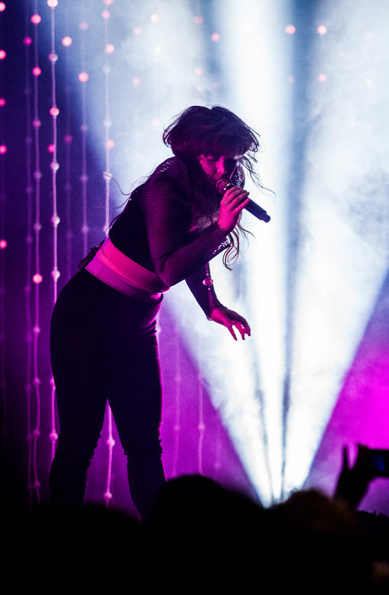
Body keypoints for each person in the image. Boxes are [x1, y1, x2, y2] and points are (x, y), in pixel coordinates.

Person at [49, 105, 260, 517]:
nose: (222, 167)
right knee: (80, 438)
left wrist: (211, 307)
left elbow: (190, 251)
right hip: (86, 319)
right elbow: (167, 269)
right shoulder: (166, 186)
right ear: (191, 152)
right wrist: (221, 228)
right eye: (211, 156)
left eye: (229, 158)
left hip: (134, 326)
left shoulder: (209, 187)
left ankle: (165, 550)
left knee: (145, 444)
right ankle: (61, 547)